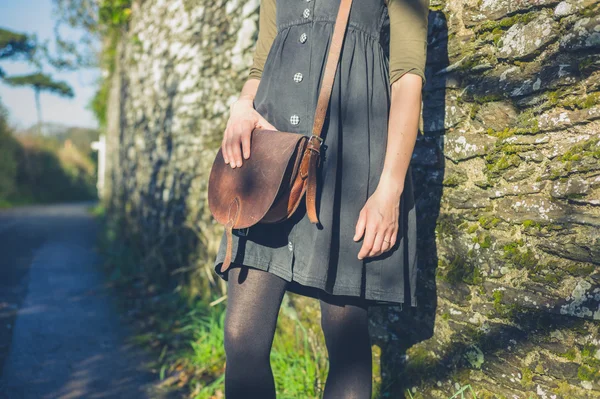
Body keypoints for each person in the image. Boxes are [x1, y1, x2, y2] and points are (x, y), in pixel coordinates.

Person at [213, 0, 429, 397]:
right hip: (271, 165)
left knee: (344, 339)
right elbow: (261, 65)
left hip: (351, 164)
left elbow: (407, 80)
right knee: (241, 336)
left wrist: (389, 190)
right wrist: (242, 106)